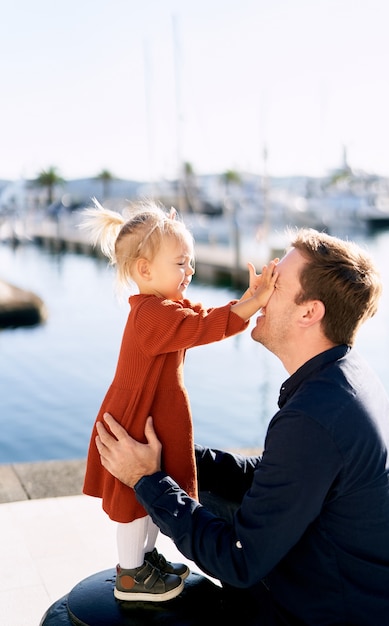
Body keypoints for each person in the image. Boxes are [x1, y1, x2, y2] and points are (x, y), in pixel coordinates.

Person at [95, 227, 389, 625]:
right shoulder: (341, 376)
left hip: (334, 612)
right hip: (354, 586)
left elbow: (240, 560)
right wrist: (178, 458)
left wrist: (147, 480)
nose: (261, 287)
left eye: (275, 282)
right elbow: (273, 475)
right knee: (199, 486)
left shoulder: (316, 417)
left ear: (308, 312)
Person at [82, 199, 278, 602]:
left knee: (154, 494)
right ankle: (131, 576)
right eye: (181, 263)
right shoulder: (151, 315)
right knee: (137, 503)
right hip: (135, 423)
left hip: (149, 416)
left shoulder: (162, 308)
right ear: (144, 270)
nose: (190, 271)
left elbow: (199, 318)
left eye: (189, 262)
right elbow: (202, 326)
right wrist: (253, 304)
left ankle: (147, 559)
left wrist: (244, 301)